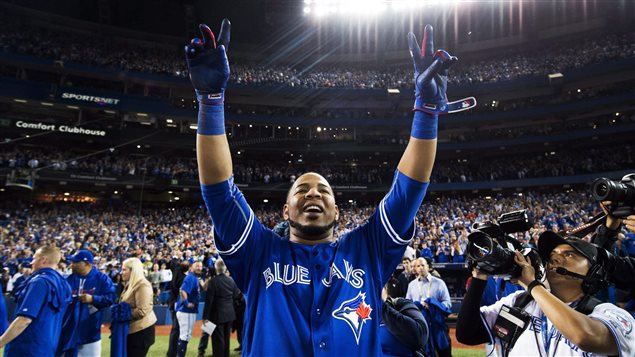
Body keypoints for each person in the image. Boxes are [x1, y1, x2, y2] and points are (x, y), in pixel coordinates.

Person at [186, 17, 465, 354]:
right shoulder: (259, 253)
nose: (314, 192)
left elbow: (408, 190)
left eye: (324, 190)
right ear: (285, 210)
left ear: (338, 211)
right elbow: (220, 193)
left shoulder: (367, 250)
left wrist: (427, 112)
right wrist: (211, 100)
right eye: (301, 190)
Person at [456, 231, 635, 356]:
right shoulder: (520, 302)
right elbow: (467, 334)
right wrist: (479, 276)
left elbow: (585, 336)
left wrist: (533, 285)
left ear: (594, 271)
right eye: (553, 254)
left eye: (569, 255)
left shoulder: (610, 314)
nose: (555, 258)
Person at [0, 246, 71, 357]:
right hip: (47, 348)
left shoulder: (40, 282)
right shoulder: (63, 283)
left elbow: (24, 320)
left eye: (34, 258)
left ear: (43, 260)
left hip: (27, 348)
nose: (31, 262)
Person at [62, 250, 117, 357]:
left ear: (87, 264)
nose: (72, 265)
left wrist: (93, 299)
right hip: (68, 333)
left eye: (76, 262)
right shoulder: (68, 280)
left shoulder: (102, 279)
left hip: (91, 333)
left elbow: (111, 298)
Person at [405, 257, 452, 357]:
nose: (421, 268)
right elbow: (407, 306)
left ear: (428, 267)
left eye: (423, 265)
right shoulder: (411, 285)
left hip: (438, 326)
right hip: (421, 328)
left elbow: (448, 303)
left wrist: (434, 304)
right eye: (418, 266)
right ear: (415, 269)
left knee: (445, 353)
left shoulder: (439, 283)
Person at [198, 259, 241, 357]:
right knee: (226, 339)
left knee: (218, 341)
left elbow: (209, 301)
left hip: (216, 315)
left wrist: (205, 317)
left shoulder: (213, 282)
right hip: (230, 314)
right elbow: (236, 296)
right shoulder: (231, 280)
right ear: (225, 268)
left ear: (216, 268)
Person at [119, 257, 157, 357]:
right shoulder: (131, 284)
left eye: (124, 269)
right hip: (134, 330)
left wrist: (122, 314)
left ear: (133, 271)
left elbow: (142, 311)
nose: (121, 272)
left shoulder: (143, 285)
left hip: (140, 332)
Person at [175, 261, 202, 357]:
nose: (199, 268)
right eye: (197, 266)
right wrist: (186, 304)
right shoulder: (191, 277)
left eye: (200, 266)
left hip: (186, 312)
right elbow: (182, 290)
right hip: (186, 312)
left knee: (184, 336)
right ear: (191, 267)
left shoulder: (194, 278)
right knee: (185, 337)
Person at [165, 261, 190, 357]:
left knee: (175, 330)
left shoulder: (176, 271)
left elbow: (172, 263)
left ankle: (171, 352)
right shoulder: (184, 278)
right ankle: (172, 353)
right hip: (178, 305)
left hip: (172, 303)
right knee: (177, 330)